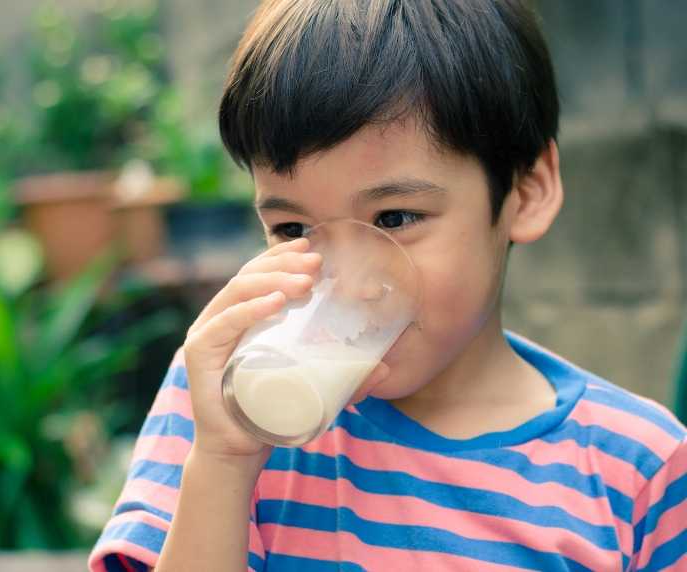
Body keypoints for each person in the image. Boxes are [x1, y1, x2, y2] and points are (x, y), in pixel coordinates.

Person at [89, 0, 687, 570]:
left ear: (525, 193)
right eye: (294, 228)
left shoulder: (637, 468)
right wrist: (221, 465)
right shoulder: (223, 401)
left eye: (394, 219)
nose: (347, 278)